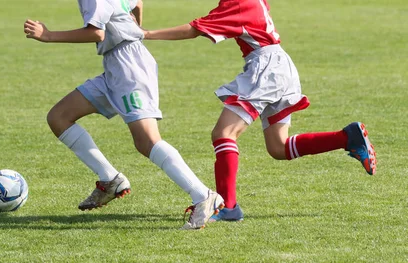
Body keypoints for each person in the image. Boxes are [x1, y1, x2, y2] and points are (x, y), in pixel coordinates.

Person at [143, 0, 377, 222]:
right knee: (279, 147)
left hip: (266, 68)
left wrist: (147, 34)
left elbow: (195, 30)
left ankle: (229, 207)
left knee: (224, 134)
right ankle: (347, 137)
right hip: (279, 65)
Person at [23, 0, 224, 229]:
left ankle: (203, 196)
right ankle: (110, 179)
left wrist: (48, 35)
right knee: (59, 117)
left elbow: (97, 33)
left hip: (129, 68)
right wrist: (134, 27)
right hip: (116, 65)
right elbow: (136, 2)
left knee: (147, 140)